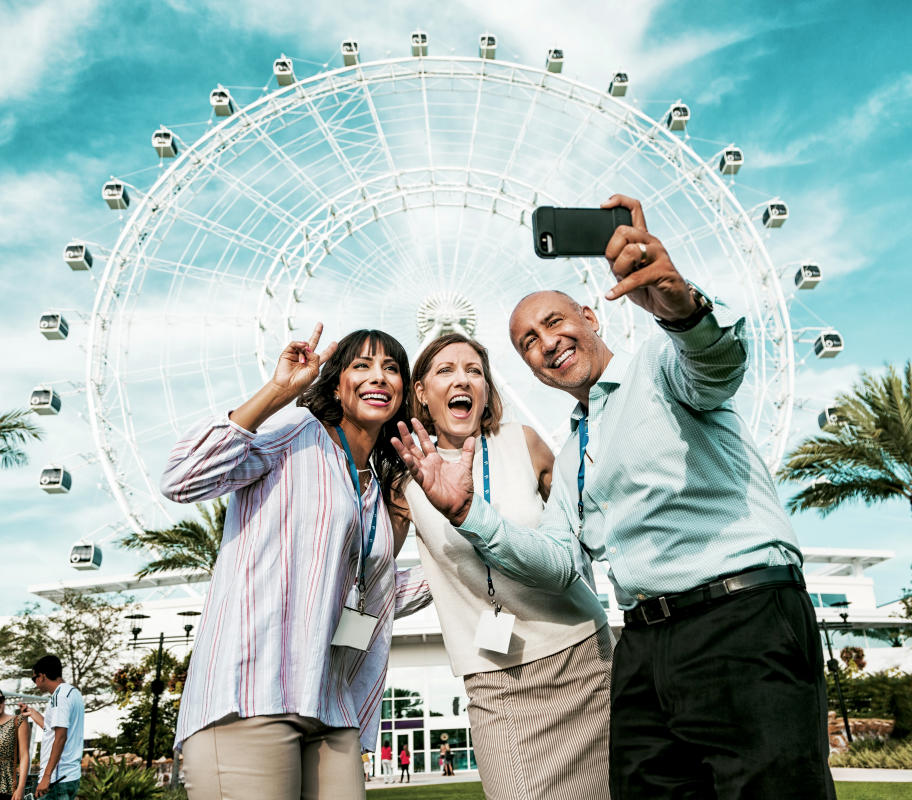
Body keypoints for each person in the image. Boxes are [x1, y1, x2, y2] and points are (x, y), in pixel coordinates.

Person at [394, 194, 836, 799]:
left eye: (554, 323)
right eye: (527, 342)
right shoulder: (573, 453)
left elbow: (717, 364)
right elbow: (560, 562)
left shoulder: (662, 365)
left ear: (591, 316)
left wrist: (680, 307)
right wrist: (470, 514)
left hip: (740, 619)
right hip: (642, 642)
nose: (545, 343)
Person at [161, 325, 430, 800]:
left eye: (392, 369)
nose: (379, 377)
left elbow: (378, 595)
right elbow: (182, 478)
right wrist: (279, 392)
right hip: (251, 693)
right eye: (362, 366)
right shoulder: (296, 438)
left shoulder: (373, 488)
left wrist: (480, 559)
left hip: (330, 703)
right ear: (335, 384)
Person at [400, 333, 611, 798]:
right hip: (494, 679)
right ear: (420, 391)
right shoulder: (404, 473)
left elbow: (580, 539)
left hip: (581, 658)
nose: (464, 379)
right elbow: (379, 569)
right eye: (447, 370)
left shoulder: (525, 443)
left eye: (475, 370)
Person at [19, 655, 82, 800]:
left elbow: (60, 737)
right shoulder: (73, 693)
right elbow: (53, 730)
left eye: (34, 678)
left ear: (42, 676)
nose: (35, 683)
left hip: (57, 778)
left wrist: (47, 776)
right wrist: (33, 713)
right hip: (69, 775)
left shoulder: (59, 697)